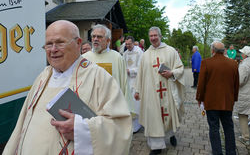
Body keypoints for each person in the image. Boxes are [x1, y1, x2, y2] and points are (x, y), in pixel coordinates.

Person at [3, 20, 132, 155]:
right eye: (48, 44)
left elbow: (120, 127)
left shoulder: (99, 77)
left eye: (60, 43)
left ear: (78, 43)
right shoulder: (43, 77)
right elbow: (22, 124)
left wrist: (82, 129)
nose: (53, 49)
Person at [134, 26, 185, 155]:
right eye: (151, 36)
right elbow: (140, 74)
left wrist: (172, 73)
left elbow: (180, 68)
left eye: (155, 35)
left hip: (167, 90)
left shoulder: (171, 51)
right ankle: (156, 146)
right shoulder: (145, 55)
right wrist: (137, 90)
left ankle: (171, 135)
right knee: (154, 118)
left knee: (169, 116)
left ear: (160, 36)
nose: (153, 38)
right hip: (151, 93)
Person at [196, 41, 239, 155]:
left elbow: (201, 84)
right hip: (227, 102)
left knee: (214, 128)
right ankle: (231, 152)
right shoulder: (233, 64)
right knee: (228, 128)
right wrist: (234, 99)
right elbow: (236, 84)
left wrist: (199, 98)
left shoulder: (206, 63)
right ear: (224, 50)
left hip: (212, 102)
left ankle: (217, 152)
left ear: (212, 50)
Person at [82, 24, 134, 112]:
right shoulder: (84, 59)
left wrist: (126, 108)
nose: (95, 39)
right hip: (91, 106)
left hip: (112, 106)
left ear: (108, 40)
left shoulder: (117, 58)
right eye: (93, 36)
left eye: (99, 37)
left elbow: (124, 83)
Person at [123, 36, 144, 133]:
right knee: (128, 102)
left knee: (136, 102)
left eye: (129, 44)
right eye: (126, 44)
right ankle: (131, 123)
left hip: (136, 79)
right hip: (127, 80)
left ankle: (137, 124)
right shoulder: (125, 53)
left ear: (133, 43)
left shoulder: (139, 52)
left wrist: (130, 71)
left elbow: (141, 67)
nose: (127, 46)